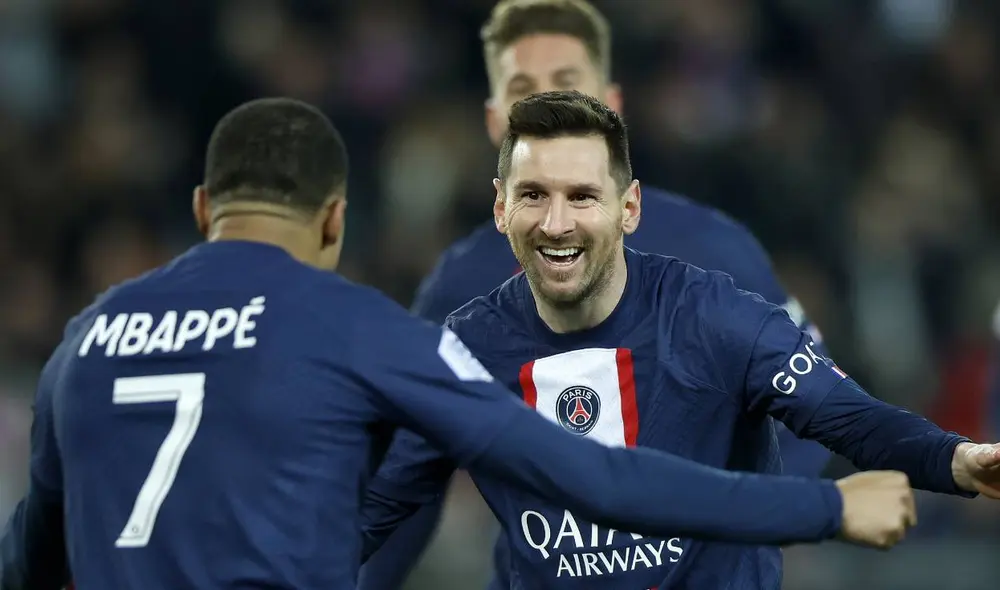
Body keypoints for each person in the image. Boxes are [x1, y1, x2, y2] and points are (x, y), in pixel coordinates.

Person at [0, 98, 912, 590]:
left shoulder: (88, 339)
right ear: (333, 222)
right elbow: (593, 477)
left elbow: (31, 559)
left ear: (203, 211)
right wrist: (823, 511)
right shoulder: (360, 331)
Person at [361, 91, 1000, 590]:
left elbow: (849, 417)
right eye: (534, 195)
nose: (556, 223)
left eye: (583, 196)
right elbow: (373, 508)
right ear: (501, 208)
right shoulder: (466, 349)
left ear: (629, 208)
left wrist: (953, 458)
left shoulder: (712, 317)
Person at [360, 0, 829, 586]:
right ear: (492, 118)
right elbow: (406, 476)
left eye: (566, 83)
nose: (544, 105)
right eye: (521, 88)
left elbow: (807, 400)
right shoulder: (458, 285)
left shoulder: (715, 248)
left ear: (613, 104)